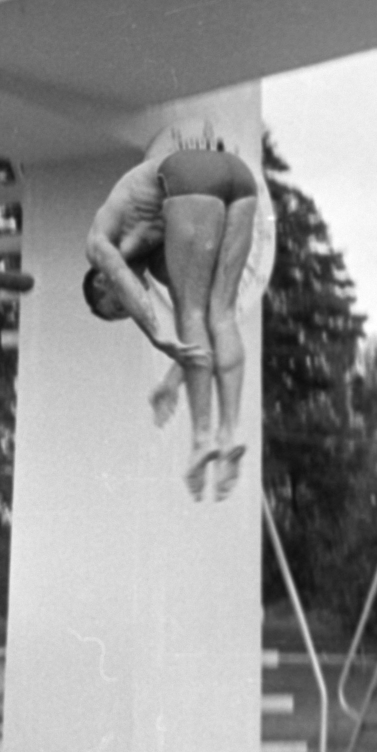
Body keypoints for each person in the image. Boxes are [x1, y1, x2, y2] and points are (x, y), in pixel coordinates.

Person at [84, 144, 259, 501]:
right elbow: (202, 337)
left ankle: (202, 441)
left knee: (191, 313)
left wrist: (155, 336)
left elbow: (126, 281)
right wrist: (171, 381)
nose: (130, 307)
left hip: (186, 174)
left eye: (118, 308)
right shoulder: (160, 255)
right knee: (219, 312)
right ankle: (229, 436)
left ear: (101, 281)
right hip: (240, 179)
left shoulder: (98, 243)